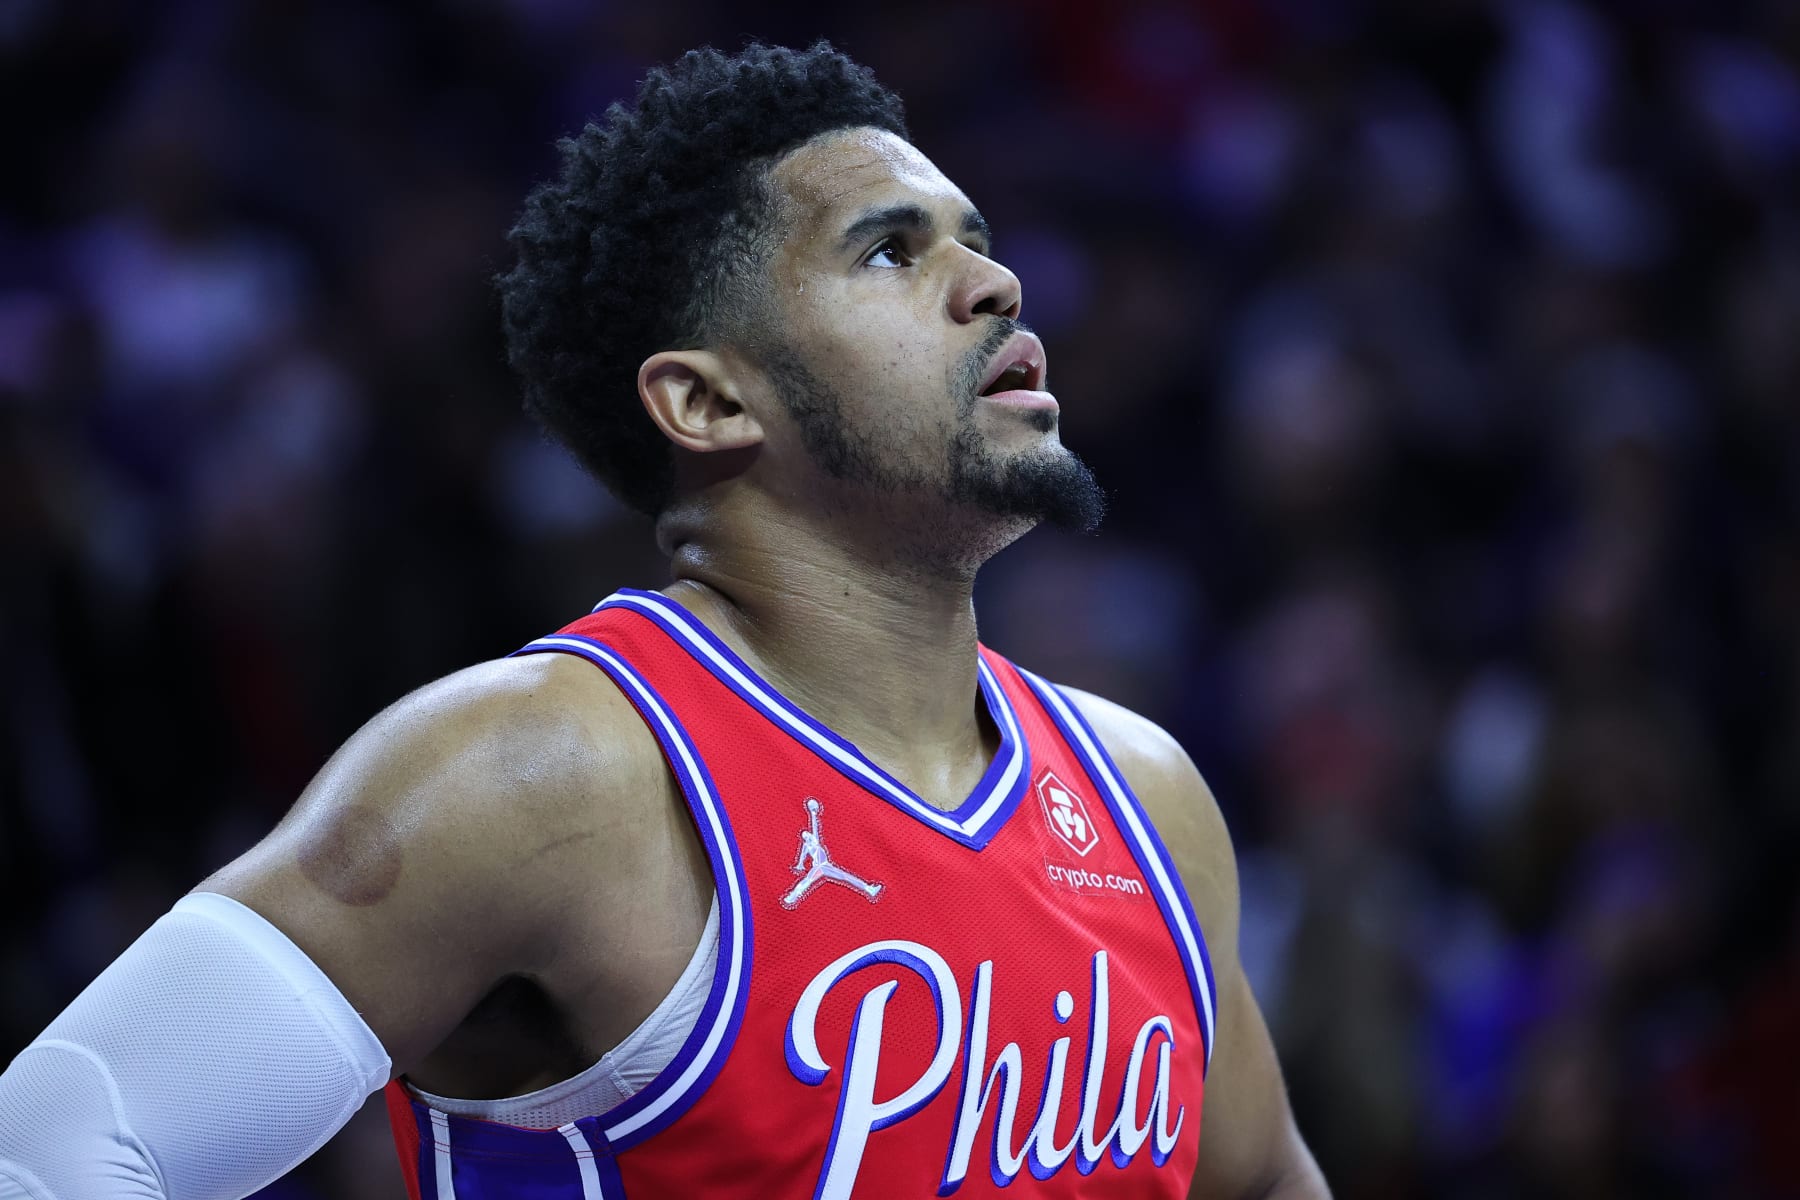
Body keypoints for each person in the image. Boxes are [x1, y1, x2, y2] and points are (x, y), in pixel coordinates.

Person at [0, 41, 1329, 1200]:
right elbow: (56, 1140)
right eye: (890, 250)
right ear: (706, 405)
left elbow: (1262, 1178)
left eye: (977, 240)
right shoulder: (542, 772)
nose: (993, 285)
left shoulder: (1146, 799)